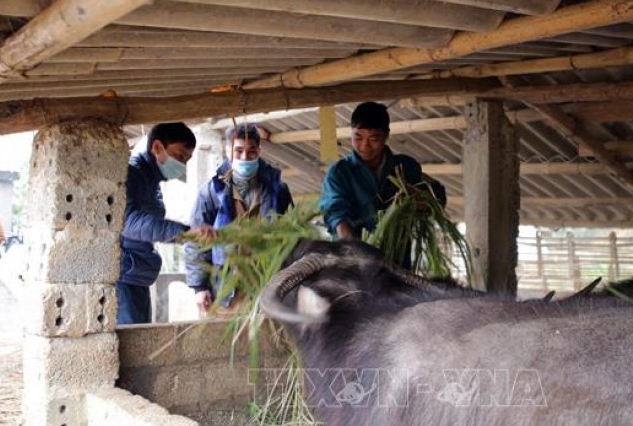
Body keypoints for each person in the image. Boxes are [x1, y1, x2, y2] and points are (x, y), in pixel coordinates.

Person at [185, 123, 293, 314]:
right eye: (239, 151)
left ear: (259, 151)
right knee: (225, 341)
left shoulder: (278, 191)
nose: (245, 157)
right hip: (225, 291)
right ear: (228, 151)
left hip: (269, 287)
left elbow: (292, 237)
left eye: (251, 151)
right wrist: (199, 288)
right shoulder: (211, 193)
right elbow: (196, 242)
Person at [118, 122, 216, 325]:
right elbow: (129, 223)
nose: (182, 165)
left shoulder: (151, 182)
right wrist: (185, 231)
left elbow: (152, 229)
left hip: (138, 276)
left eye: (187, 160)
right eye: (180, 156)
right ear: (157, 148)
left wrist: (187, 234)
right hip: (124, 279)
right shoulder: (132, 176)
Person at [319, 101, 444, 242]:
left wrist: (420, 203)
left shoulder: (406, 167)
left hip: (397, 256)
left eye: (373, 138)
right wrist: (353, 247)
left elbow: (436, 197)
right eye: (358, 137)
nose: (365, 145)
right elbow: (335, 211)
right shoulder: (340, 172)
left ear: (386, 135)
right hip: (352, 254)